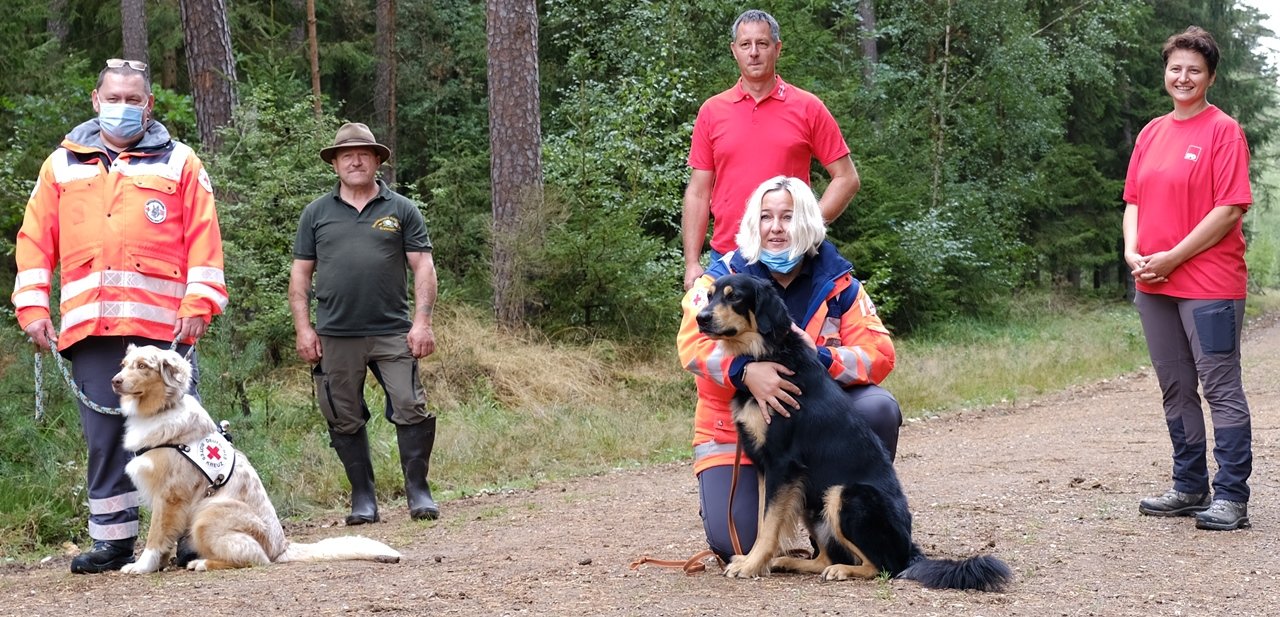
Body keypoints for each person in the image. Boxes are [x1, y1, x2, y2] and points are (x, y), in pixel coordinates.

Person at [10, 58, 227, 573]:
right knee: (105, 440)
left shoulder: (180, 162)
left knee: (183, 433)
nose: (123, 108)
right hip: (91, 328)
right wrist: (33, 308)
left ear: (148, 105)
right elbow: (35, 242)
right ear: (95, 99)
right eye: (115, 98)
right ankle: (112, 542)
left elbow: (205, 239)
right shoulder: (60, 166)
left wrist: (200, 304)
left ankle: (193, 532)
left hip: (161, 332)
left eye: (134, 100)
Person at [677, 176, 901, 561]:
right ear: (753, 223)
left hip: (814, 429)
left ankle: (837, 536)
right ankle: (784, 526)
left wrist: (820, 357)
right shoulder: (719, 277)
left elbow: (878, 352)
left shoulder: (838, 281)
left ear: (808, 222)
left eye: (787, 216)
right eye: (766, 217)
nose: (776, 227)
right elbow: (691, 345)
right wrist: (744, 372)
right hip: (731, 433)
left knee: (877, 408)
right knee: (736, 545)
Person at [1124, 26, 1254, 531]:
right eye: (1175, 68)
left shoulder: (1223, 131)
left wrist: (1174, 256)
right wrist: (1134, 253)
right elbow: (1133, 200)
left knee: (1220, 387)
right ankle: (1188, 485)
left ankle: (1231, 496)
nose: (1183, 77)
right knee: (1175, 387)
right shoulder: (1151, 132)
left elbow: (1229, 209)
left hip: (1210, 283)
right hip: (1153, 282)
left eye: (1194, 70)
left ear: (1210, 77)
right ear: (1165, 73)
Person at [289, 122, 441, 524]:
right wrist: (304, 329)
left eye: (363, 154)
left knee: (410, 405)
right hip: (336, 334)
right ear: (335, 163)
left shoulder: (401, 209)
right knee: (342, 413)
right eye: (346, 155)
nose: (355, 160)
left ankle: (418, 491)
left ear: (377, 160)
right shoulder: (316, 214)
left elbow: (423, 266)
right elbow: (301, 276)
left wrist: (422, 322)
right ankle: (363, 499)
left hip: (393, 330)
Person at [682, 9, 861, 290]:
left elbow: (847, 178)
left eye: (762, 44)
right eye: (745, 44)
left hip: (790, 260)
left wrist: (807, 228)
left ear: (777, 49)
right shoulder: (711, 111)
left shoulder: (807, 107)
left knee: (794, 335)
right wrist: (692, 262)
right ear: (734, 51)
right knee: (720, 335)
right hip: (729, 257)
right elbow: (698, 191)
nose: (753, 52)